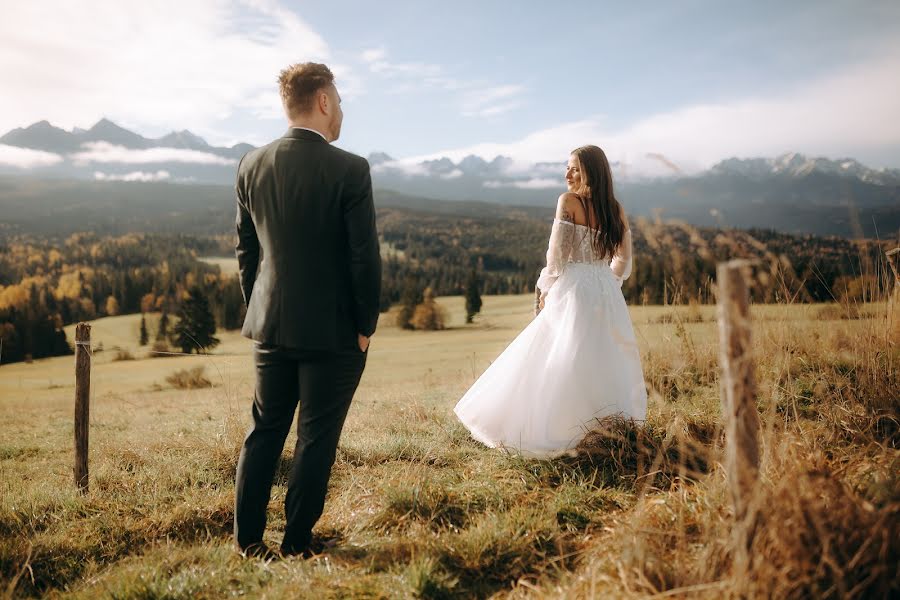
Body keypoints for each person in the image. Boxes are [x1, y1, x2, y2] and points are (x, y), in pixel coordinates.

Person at [233, 62, 381, 558]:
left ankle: (249, 543)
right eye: (337, 99)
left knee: (264, 432)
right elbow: (364, 257)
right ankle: (296, 544)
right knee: (316, 438)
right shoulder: (350, 169)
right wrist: (365, 326)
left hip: (270, 327)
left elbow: (246, 252)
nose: (340, 109)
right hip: (334, 332)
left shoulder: (250, 164)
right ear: (322, 101)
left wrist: (260, 313)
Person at [454, 145, 646, 458]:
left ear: (591, 173)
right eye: (567, 168)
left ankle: (551, 427)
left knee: (557, 354)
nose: (567, 175)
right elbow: (624, 259)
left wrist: (546, 286)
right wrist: (609, 280)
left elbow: (556, 256)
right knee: (601, 357)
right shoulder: (616, 208)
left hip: (574, 288)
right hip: (605, 291)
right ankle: (601, 428)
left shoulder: (568, 201)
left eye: (575, 169)